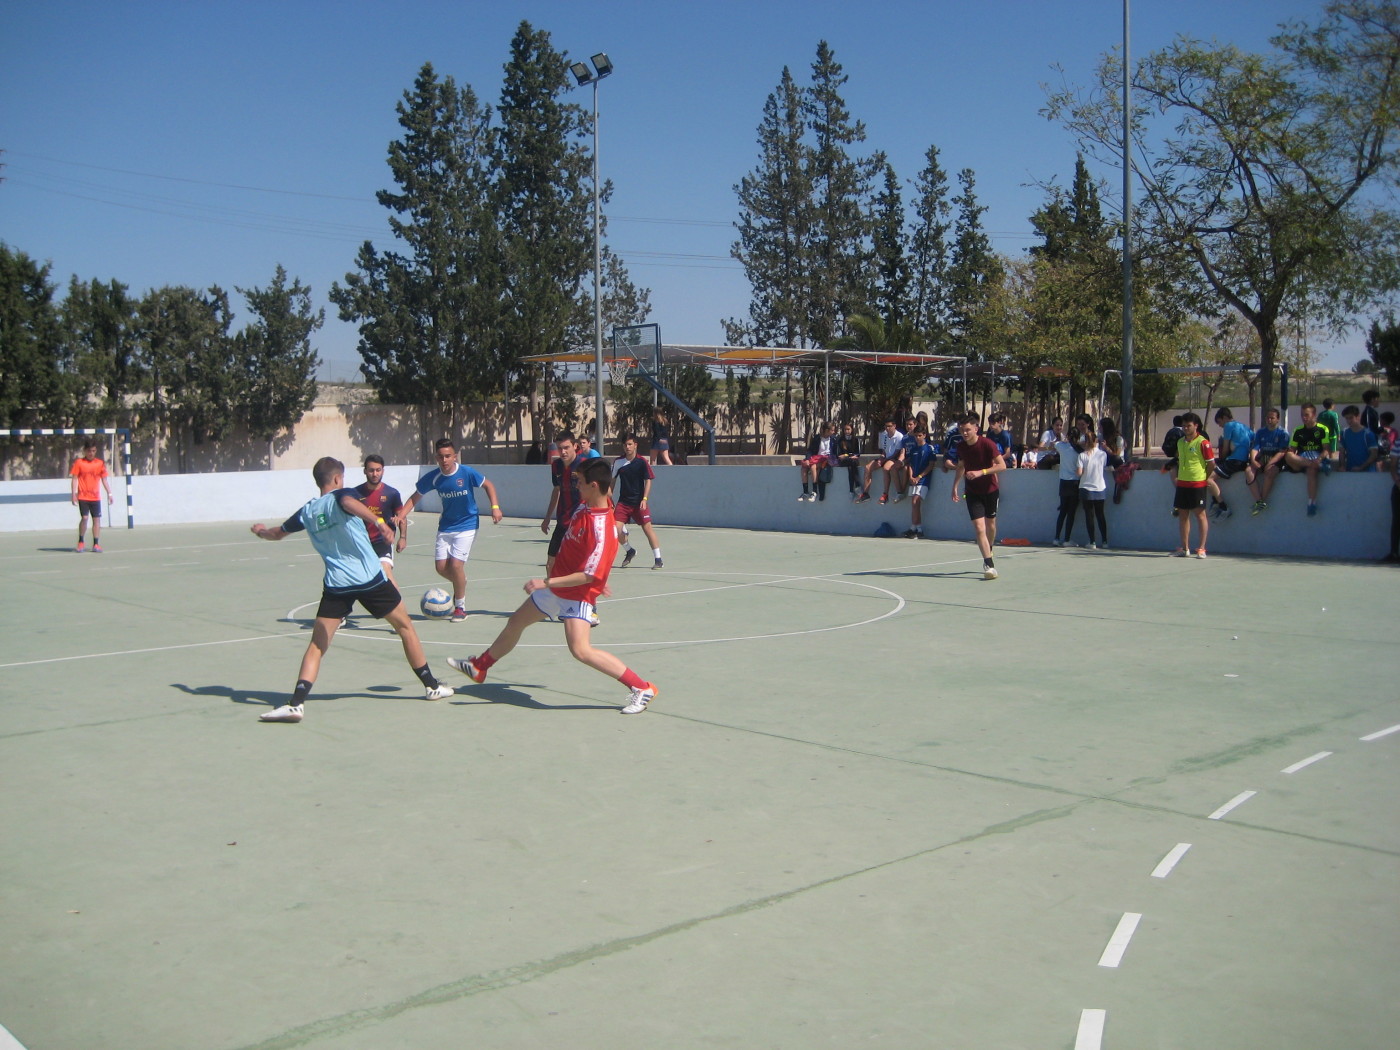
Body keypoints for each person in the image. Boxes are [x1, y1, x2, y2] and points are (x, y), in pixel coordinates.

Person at [250, 456, 454, 723]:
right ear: (336, 479)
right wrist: (380, 523)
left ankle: (296, 703)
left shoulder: (307, 511)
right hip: (370, 579)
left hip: (337, 585)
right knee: (405, 627)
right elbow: (346, 502)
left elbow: (277, 534)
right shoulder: (343, 495)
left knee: (317, 644)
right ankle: (432, 686)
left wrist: (261, 531)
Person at [448, 457, 659, 715]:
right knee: (516, 622)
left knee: (580, 650)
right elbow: (590, 560)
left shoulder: (603, 529)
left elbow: (587, 575)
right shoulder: (586, 505)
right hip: (559, 587)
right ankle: (481, 666)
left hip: (576, 594)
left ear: (594, 486)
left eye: (580, 483)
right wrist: (593, 577)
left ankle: (642, 687)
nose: (576, 487)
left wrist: (548, 581)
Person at [395, 438, 502, 623]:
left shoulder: (466, 473)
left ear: (454, 456)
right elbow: (414, 498)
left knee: (456, 566)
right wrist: (401, 515)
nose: (444, 460)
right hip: (445, 526)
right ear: (436, 457)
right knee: (441, 568)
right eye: (441, 457)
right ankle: (461, 581)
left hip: (468, 524)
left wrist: (495, 506)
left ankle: (460, 607)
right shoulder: (434, 477)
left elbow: (488, 485)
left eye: (448, 456)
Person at [950, 416, 1006, 579]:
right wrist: (954, 486)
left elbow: (1002, 466)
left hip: (990, 490)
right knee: (979, 528)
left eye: (967, 429)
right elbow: (961, 467)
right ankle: (989, 564)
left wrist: (981, 472)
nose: (965, 433)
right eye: (962, 430)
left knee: (991, 525)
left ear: (976, 429)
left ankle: (989, 547)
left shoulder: (987, 444)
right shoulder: (961, 447)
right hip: (972, 492)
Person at [354, 455, 406, 589]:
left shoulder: (392, 493)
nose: (375, 474)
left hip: (383, 542)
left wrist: (403, 537)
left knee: (386, 573)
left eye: (378, 470)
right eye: (371, 470)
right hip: (362, 543)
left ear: (383, 471)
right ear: (365, 471)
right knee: (365, 581)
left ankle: (398, 608)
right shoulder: (355, 493)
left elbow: (401, 516)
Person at [613, 433, 663, 569]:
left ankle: (658, 559)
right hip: (623, 503)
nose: (627, 447)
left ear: (635, 445)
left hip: (639, 503)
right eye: (625, 445)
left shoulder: (642, 462)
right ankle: (630, 550)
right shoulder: (618, 462)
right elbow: (612, 482)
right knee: (614, 530)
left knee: (647, 529)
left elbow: (648, 480)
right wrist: (608, 500)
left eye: (630, 444)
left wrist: (644, 499)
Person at [1171, 412, 1213, 559]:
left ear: (1196, 426)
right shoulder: (1180, 442)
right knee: (1183, 515)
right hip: (1182, 483)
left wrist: (1204, 479)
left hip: (1198, 484)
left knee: (1200, 515)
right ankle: (1185, 548)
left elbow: (1211, 464)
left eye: (1188, 426)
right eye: (1184, 426)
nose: (1185, 428)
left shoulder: (1203, 442)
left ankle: (1201, 548)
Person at [541, 431, 582, 576]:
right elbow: (556, 490)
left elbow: (602, 492)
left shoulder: (585, 466)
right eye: (560, 448)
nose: (563, 452)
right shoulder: (556, 466)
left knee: (577, 565)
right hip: (562, 521)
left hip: (580, 523)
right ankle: (551, 595)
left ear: (575, 446)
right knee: (550, 563)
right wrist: (547, 518)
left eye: (566, 447)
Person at [1283, 402, 1333, 517]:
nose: (1304, 418)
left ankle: (1311, 503)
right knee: (1288, 456)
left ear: (1314, 415)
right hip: (1302, 461)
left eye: (1306, 415)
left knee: (1311, 471)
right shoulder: (1298, 430)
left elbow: (1326, 450)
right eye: (1302, 415)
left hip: (1316, 458)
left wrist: (1319, 459)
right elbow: (1292, 450)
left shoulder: (1322, 429)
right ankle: (1317, 466)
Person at [69, 440, 113, 553]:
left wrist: (110, 493)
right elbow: (74, 479)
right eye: (89, 451)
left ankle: (96, 544)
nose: (91, 453)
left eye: (93, 451)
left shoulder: (100, 463)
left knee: (96, 520)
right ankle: (81, 541)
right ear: (85, 451)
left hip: (95, 497)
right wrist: (74, 494)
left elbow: (104, 480)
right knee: (84, 518)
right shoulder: (79, 463)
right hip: (83, 496)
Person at [1211, 407, 1253, 520]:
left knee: (1207, 479)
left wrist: (1223, 458)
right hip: (1243, 461)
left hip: (1234, 460)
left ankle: (1222, 505)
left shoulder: (1229, 426)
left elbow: (1225, 447)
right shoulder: (1245, 427)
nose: (1220, 426)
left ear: (1224, 418)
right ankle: (1214, 501)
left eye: (1219, 422)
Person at [1247, 407, 1292, 513]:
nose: (1269, 420)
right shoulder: (1261, 432)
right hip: (1263, 457)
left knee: (1270, 472)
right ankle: (1259, 501)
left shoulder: (1283, 433)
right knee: (1248, 471)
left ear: (1277, 419)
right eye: (1267, 418)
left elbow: (1281, 452)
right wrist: (1253, 460)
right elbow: (1255, 448)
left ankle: (1262, 500)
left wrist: (1270, 463)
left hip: (1277, 459)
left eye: (1272, 418)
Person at [856, 419, 906, 504]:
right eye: (886, 426)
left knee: (886, 468)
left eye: (889, 426)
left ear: (894, 426)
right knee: (868, 467)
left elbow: (897, 452)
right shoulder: (883, 435)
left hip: (894, 459)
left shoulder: (899, 436)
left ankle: (885, 494)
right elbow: (883, 451)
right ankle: (865, 494)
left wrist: (884, 459)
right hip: (885, 458)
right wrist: (881, 458)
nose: (887, 428)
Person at [902, 428, 936, 538]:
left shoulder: (929, 448)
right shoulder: (913, 450)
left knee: (916, 501)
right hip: (914, 480)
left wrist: (919, 477)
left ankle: (914, 528)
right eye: (916, 436)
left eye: (919, 435)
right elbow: (911, 465)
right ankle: (918, 529)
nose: (917, 438)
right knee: (914, 504)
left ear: (924, 435)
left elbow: (931, 465)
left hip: (924, 480)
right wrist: (911, 476)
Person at [1077, 434, 1110, 549]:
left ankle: (1092, 542)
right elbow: (1104, 466)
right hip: (1100, 487)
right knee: (1100, 514)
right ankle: (1105, 541)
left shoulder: (1082, 456)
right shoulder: (1103, 454)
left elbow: (1079, 473)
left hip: (1086, 487)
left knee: (1089, 515)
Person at [1051, 428, 1082, 547]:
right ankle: (1067, 539)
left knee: (1062, 511)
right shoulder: (1079, 450)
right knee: (1071, 512)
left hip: (1063, 483)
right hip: (1075, 483)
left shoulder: (1062, 447)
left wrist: (1062, 438)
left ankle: (1056, 537)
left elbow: (1055, 443)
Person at [797, 421, 836, 502]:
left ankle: (814, 491)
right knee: (804, 467)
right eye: (832, 430)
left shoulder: (834, 439)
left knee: (813, 466)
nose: (833, 432)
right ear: (826, 430)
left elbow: (835, 452)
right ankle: (805, 492)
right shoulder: (817, 438)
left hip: (826, 459)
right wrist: (807, 459)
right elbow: (810, 450)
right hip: (816, 457)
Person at [1338, 405, 1381, 473]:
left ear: (1358, 416)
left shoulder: (1368, 434)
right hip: (1351, 471)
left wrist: (1361, 467)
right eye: (1347, 418)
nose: (1349, 421)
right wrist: (1342, 466)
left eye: (1351, 418)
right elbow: (1341, 452)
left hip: (1368, 472)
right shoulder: (1344, 433)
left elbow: (1374, 454)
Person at [832, 421, 863, 498]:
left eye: (848, 429)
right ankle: (857, 486)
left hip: (853, 460)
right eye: (845, 429)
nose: (847, 431)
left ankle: (851, 490)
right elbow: (839, 454)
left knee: (851, 467)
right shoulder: (840, 440)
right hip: (844, 461)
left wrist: (850, 455)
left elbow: (858, 453)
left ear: (852, 430)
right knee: (852, 463)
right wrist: (848, 455)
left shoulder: (856, 440)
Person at [1386, 424, 1400, 564]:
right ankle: (1394, 553)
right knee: (1397, 520)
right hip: (1398, 487)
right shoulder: (1398, 443)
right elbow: (1393, 465)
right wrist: (1397, 480)